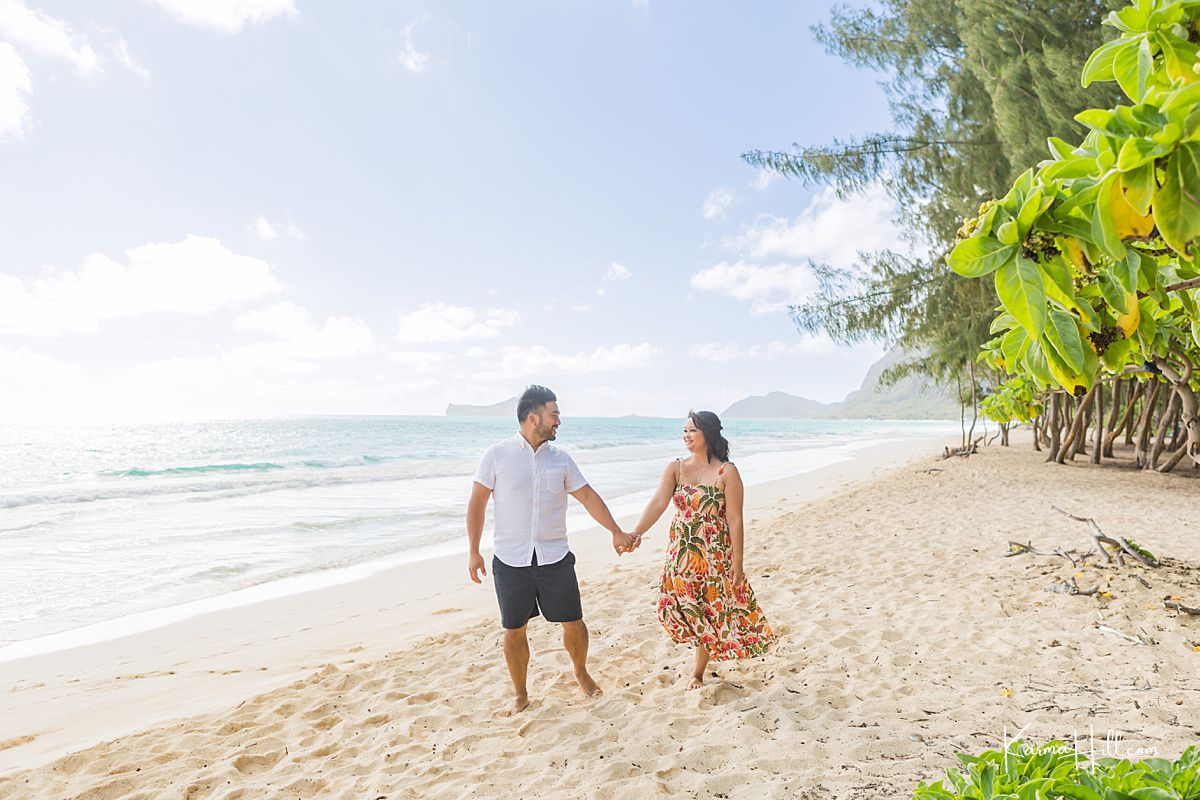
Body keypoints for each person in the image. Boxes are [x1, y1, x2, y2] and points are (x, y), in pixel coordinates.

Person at [466, 385, 639, 716]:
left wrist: (616, 531)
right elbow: (477, 503)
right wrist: (473, 551)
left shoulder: (561, 459)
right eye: (554, 415)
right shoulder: (497, 455)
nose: (559, 421)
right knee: (514, 629)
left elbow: (588, 496)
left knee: (573, 622)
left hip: (555, 557)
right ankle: (520, 694)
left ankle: (581, 672)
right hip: (511, 560)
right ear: (534, 418)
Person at [629, 410, 777, 689]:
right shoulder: (676, 468)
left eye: (692, 430)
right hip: (681, 553)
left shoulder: (727, 472)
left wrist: (738, 562)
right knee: (674, 605)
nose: (686, 436)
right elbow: (659, 502)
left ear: (708, 433)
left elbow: (734, 518)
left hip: (714, 556)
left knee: (707, 609)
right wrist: (637, 532)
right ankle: (698, 656)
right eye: (684, 431)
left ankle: (697, 672)